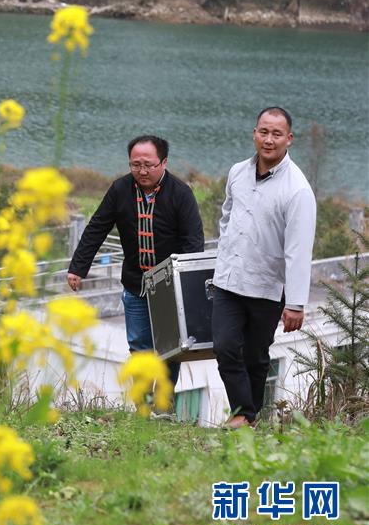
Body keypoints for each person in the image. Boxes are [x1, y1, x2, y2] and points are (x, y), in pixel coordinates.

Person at [66, 135, 205, 386]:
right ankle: (143, 401)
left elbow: (193, 242)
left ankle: (163, 402)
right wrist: (78, 267)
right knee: (139, 347)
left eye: (148, 165)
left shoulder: (181, 193)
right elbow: (97, 227)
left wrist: (188, 286)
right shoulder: (120, 189)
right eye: (135, 165)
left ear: (163, 162)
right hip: (135, 283)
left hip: (169, 288)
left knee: (169, 349)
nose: (142, 171)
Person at [212, 106, 316, 429]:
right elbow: (226, 217)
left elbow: (299, 250)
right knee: (225, 347)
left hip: (267, 286)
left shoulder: (298, 190)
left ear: (289, 139)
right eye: (264, 132)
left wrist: (295, 303)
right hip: (228, 280)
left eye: (276, 134)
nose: (269, 140)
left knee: (256, 357)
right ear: (254, 134)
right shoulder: (237, 172)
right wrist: (225, 252)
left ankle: (248, 420)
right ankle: (244, 413)